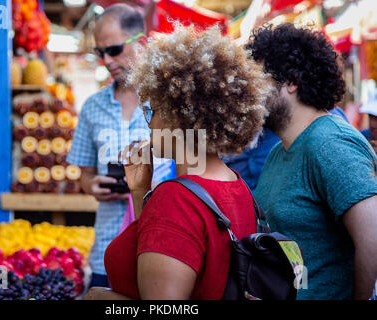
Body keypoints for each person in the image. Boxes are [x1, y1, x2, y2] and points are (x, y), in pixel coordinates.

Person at [84, 25, 273, 300]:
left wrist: (103, 300)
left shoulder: (175, 199)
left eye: (152, 110)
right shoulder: (237, 186)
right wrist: (140, 192)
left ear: (179, 116)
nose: (148, 123)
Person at [247, 23, 377, 300]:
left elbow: (373, 236)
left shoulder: (329, 142)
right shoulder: (278, 152)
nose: (251, 92)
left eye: (260, 80)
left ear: (291, 82)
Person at [67, 4, 174, 288]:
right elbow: (85, 173)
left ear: (139, 42)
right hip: (106, 247)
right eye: (99, 52)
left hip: (164, 247)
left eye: (113, 50)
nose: (106, 60)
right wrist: (93, 185)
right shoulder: (92, 107)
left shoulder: (169, 101)